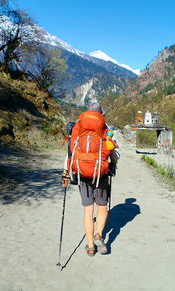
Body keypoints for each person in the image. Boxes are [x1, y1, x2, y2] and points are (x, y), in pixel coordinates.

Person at [62, 102, 120, 256]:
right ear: (102, 115)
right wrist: (113, 162)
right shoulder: (104, 129)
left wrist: (66, 172)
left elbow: (70, 151)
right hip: (100, 174)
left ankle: (91, 246)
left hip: (82, 173)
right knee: (102, 207)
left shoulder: (78, 128)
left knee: (88, 211)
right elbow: (114, 154)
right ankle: (99, 235)